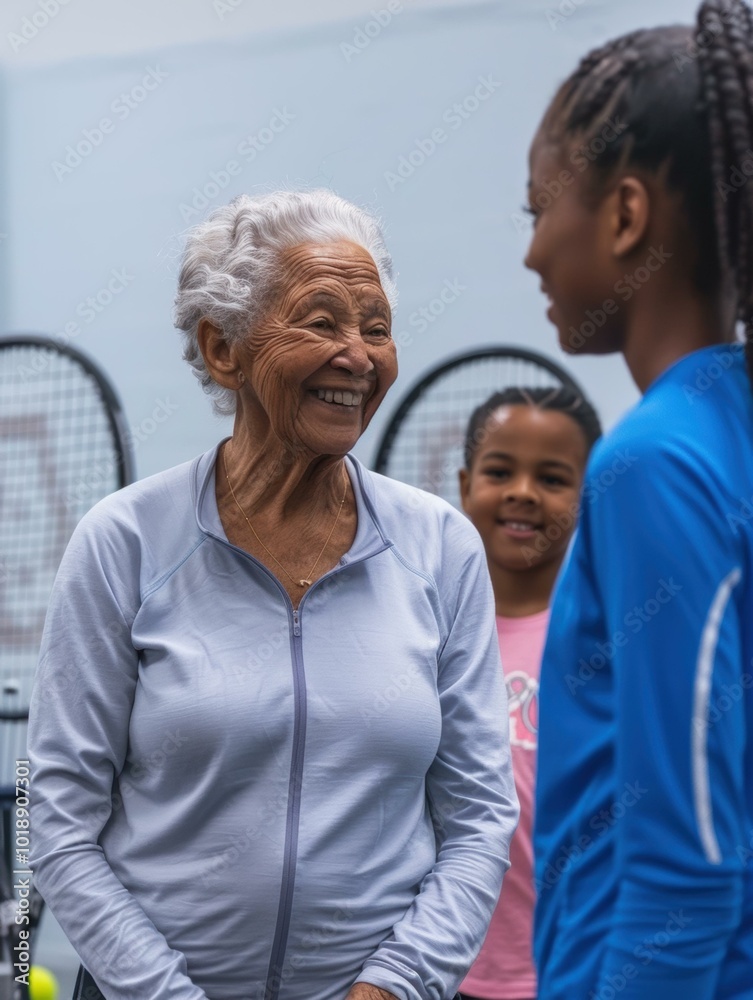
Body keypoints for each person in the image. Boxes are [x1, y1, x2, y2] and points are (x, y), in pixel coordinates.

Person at [27, 189, 519, 1000]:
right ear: (224, 349)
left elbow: (477, 818)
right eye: (322, 322)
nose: (358, 355)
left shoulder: (438, 547)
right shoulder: (124, 541)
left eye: (376, 326)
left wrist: (395, 985)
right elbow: (56, 821)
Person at [523, 1, 753, 996]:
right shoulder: (727, 423)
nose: (531, 252)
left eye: (537, 210)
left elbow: (688, 859)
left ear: (624, 216)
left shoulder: (653, 462)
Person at [456, 386, 601, 1000]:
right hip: (435, 969)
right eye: (499, 471)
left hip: (565, 971)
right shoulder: (429, 634)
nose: (522, 492)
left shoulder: (608, 643)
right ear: (464, 484)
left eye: (552, 477)